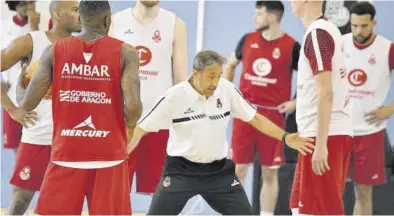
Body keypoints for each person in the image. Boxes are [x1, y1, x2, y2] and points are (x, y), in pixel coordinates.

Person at [128, 50, 314, 215]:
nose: (215, 82)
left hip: (218, 173)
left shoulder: (227, 90)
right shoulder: (174, 97)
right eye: (210, 76)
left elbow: (255, 118)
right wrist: (122, 153)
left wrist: (285, 137)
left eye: (218, 76)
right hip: (180, 172)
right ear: (195, 74)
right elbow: (141, 128)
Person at [11, 1, 142, 214]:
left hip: (67, 153)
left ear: (80, 19)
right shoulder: (126, 52)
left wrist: (19, 87)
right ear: (108, 20)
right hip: (110, 154)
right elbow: (134, 106)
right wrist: (129, 127)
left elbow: (27, 104)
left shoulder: (55, 51)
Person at [1, 1, 81, 214]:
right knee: (20, 200)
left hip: (73, 140)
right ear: (56, 14)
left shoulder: (88, 47)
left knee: (65, 206)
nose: (81, 14)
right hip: (38, 136)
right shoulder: (32, 42)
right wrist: (11, 109)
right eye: (75, 10)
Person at [223, 1, 300, 214]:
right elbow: (230, 65)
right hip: (245, 114)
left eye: (259, 14)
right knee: (238, 170)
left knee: (269, 173)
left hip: (273, 117)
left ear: (273, 17)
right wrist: (228, 93)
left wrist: (296, 102)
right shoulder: (247, 40)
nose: (254, 18)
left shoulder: (292, 46)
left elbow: (310, 79)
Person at [110, 0, 188, 195]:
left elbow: (180, 81)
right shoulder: (115, 22)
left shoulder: (175, 24)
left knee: (161, 194)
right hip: (121, 122)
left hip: (158, 124)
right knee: (115, 191)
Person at [288, 0, 353, 215]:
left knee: (321, 212)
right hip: (314, 136)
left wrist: (322, 144)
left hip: (324, 137)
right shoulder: (325, 30)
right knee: (299, 210)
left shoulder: (318, 34)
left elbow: (326, 92)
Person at [343, 2, 394, 215]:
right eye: (354, 26)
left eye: (364, 26)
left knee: (363, 192)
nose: (358, 31)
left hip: (370, 133)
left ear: (374, 22)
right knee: (331, 190)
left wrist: (391, 108)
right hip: (341, 130)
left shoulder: (387, 48)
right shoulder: (340, 43)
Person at [1, 0, 40, 152]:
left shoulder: (47, 24)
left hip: (38, 94)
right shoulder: (3, 27)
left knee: (37, 143)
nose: (30, 7)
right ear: (14, 5)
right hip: (11, 95)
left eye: (32, 2)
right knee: (16, 144)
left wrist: (34, 27)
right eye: (24, 3)